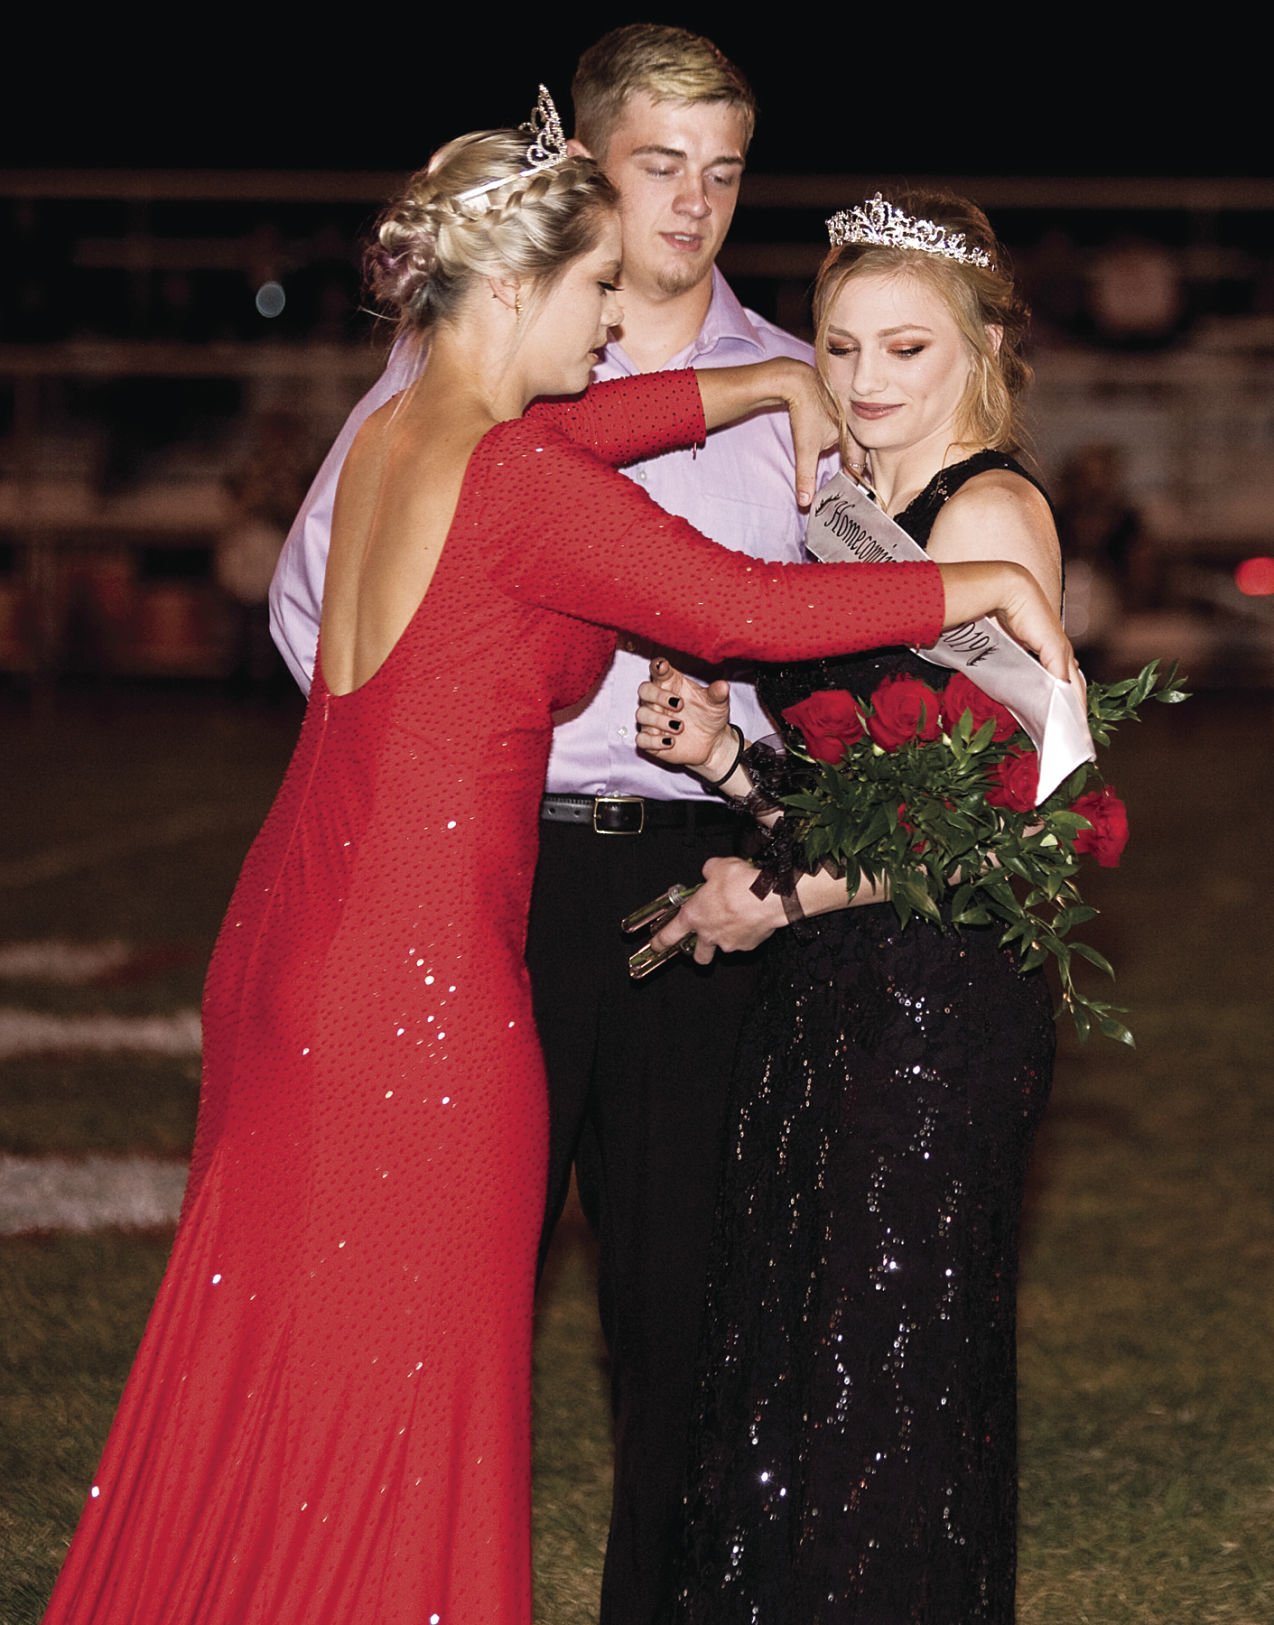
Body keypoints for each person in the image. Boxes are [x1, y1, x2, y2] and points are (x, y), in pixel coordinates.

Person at [41, 126, 1071, 1624]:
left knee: (284, 1342)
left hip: (290, 933)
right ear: (516, 285)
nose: (611, 318)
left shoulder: (410, 433)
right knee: (414, 1370)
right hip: (415, 971)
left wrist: (766, 380)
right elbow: (732, 601)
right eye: (595, 284)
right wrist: (978, 582)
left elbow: (621, 423)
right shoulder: (516, 476)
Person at [270, 28, 834, 1622]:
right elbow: (314, 608)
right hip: (489, 874)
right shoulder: (455, 381)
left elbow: (825, 648)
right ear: (589, 170)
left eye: (724, 170)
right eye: (661, 166)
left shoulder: (794, 377)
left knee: (680, 1302)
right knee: (442, 1283)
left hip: (691, 871)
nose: (696, 204)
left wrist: (755, 776)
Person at [635, 191, 1065, 1621]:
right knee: (789, 1329)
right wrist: (729, 760)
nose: (867, 383)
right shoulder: (839, 514)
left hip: (940, 997)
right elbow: (839, 803)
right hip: (826, 977)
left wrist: (775, 892)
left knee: (887, 1345)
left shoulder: (990, 510)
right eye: (841, 347)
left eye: (906, 350)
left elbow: (1014, 816)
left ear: (983, 349)